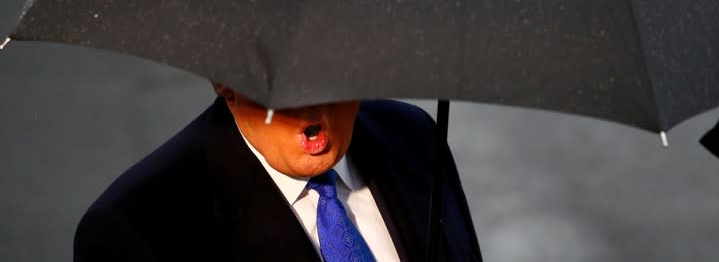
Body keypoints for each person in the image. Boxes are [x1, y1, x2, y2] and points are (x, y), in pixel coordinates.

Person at [73, 83, 482, 261]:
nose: (309, 101)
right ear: (223, 80)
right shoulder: (133, 231)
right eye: (282, 81)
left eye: (327, 67)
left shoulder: (414, 137)